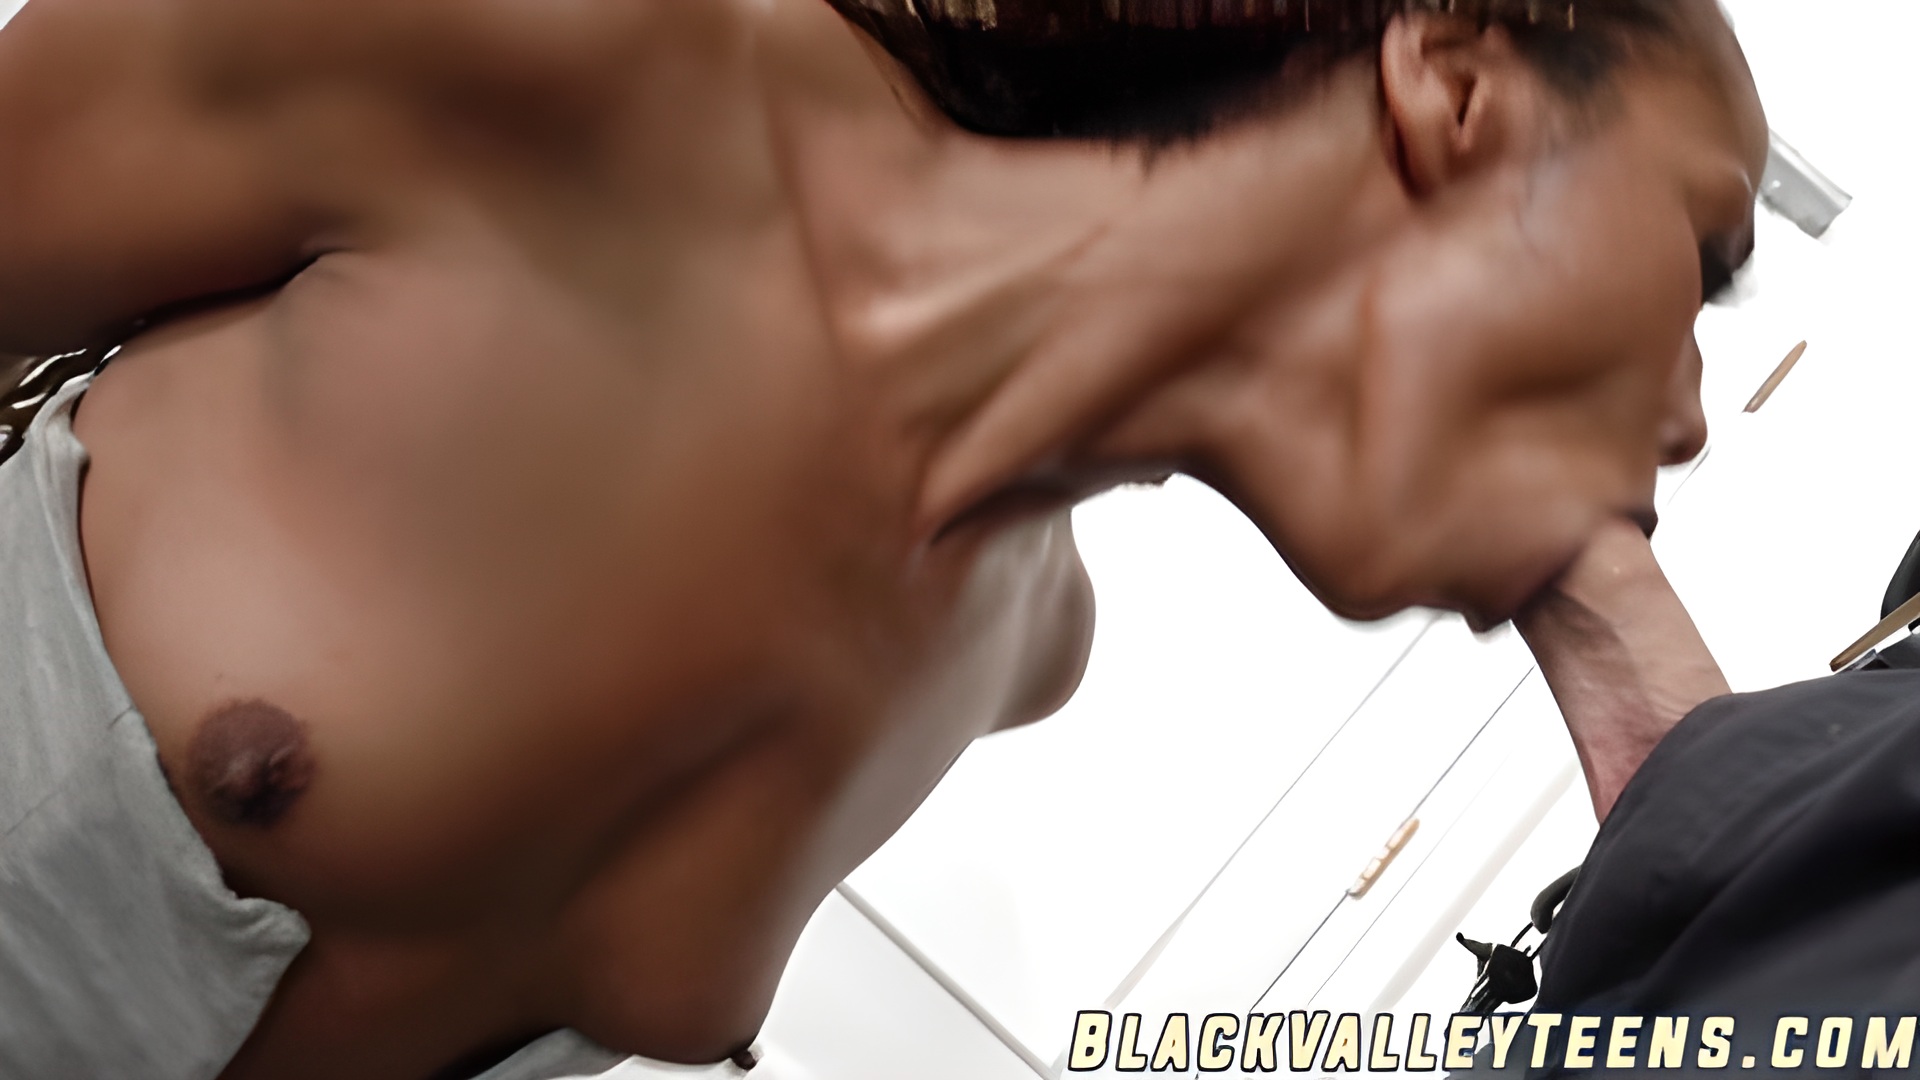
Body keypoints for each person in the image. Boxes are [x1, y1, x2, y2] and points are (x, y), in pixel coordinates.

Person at [0, 1, 1765, 1077]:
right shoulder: (571, 64)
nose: (1691, 411)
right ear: (1452, 81)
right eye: (1704, 253)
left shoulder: (1027, 655)